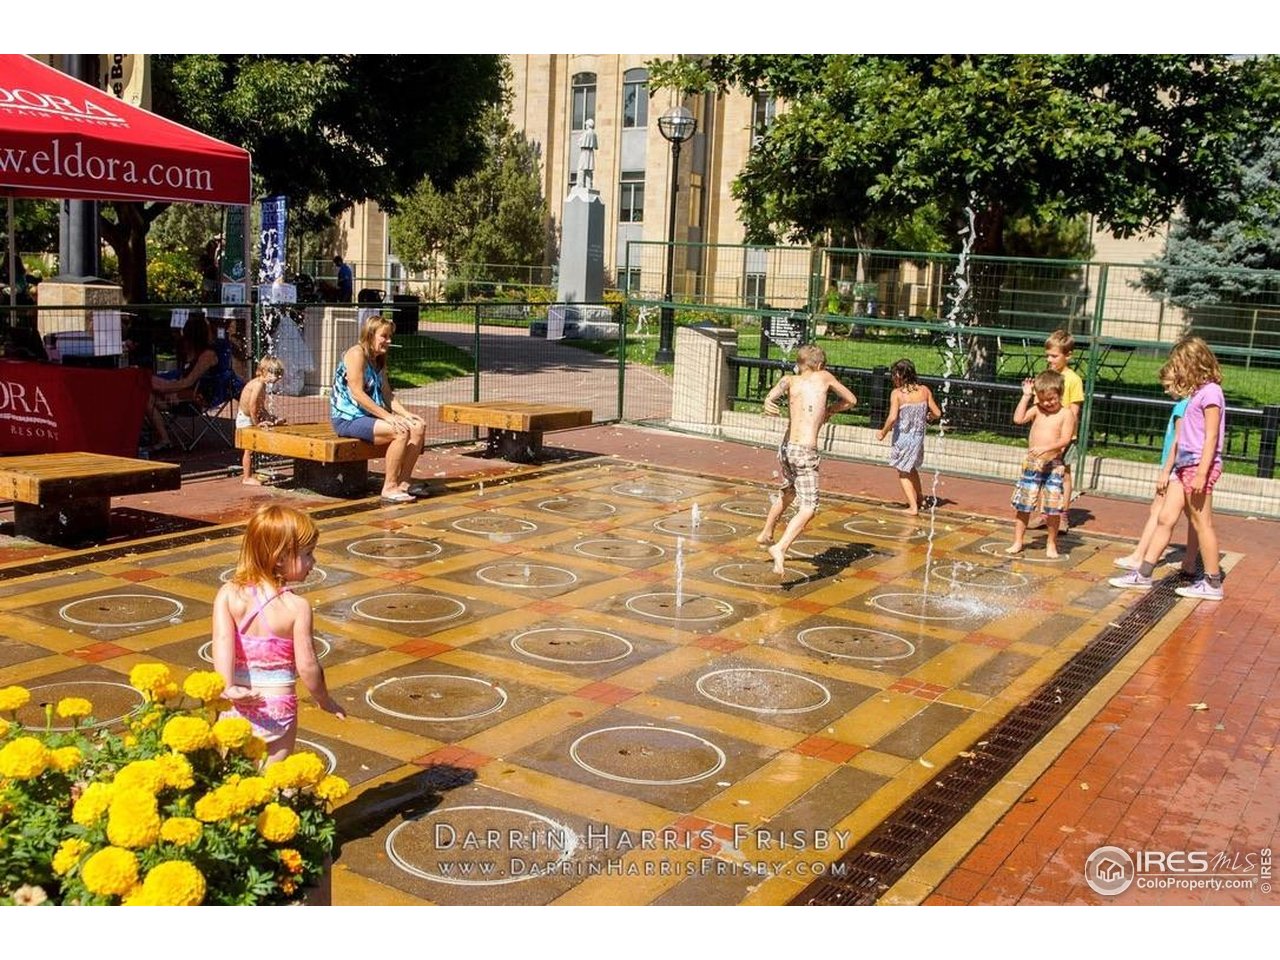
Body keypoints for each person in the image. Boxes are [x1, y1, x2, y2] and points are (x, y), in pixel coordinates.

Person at [212, 504, 345, 765]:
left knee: (233, 780)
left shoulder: (229, 594)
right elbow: (308, 666)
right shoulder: (296, 607)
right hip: (277, 706)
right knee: (274, 780)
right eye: (307, 554)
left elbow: (222, 642)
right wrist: (324, 699)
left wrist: (227, 686)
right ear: (280, 557)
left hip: (235, 703)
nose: (313, 562)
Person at [1110, 336, 1226, 601]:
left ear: (1194, 362)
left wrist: (1201, 473)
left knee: (1202, 524)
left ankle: (1212, 582)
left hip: (1198, 465)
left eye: (1181, 364)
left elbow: (1211, 437)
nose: (1179, 370)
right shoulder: (1197, 393)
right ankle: (1144, 573)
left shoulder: (1211, 393)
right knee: (1165, 518)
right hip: (1183, 465)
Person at [755, 344, 858, 574]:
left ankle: (766, 533)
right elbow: (851, 400)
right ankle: (780, 547)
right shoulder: (824, 377)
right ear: (820, 365)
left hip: (786, 448)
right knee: (809, 506)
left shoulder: (790, 380)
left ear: (799, 364)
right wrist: (832, 408)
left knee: (789, 491)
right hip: (805, 451)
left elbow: (774, 393)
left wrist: (768, 401)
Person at [330, 316, 426, 503]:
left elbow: (387, 394)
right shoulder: (356, 354)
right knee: (400, 431)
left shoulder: (379, 359)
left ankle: (404, 482)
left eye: (390, 336)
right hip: (348, 418)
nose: (389, 341)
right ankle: (389, 487)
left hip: (368, 416)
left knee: (417, 426)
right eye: (384, 336)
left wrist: (406, 414)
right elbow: (357, 393)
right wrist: (389, 418)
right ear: (370, 334)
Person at [1113, 374, 1199, 575]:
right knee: (1194, 515)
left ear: (1181, 382)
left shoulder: (1181, 407)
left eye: (1169, 386)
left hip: (1175, 468)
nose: (1166, 390)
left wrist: (1165, 471)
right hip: (1185, 467)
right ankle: (1190, 560)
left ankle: (1140, 556)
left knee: (1158, 511)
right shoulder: (1193, 404)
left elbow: (1178, 441)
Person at [1007, 369, 1074, 559]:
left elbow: (1065, 440)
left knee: (1052, 507)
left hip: (1053, 465)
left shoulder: (1066, 414)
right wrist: (1026, 396)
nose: (1047, 403)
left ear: (1060, 394)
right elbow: (1018, 419)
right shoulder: (1037, 409)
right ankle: (1018, 541)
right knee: (1024, 504)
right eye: (1043, 399)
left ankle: (1051, 544)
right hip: (1033, 464)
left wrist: (1046, 448)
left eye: (1051, 399)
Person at [876, 358, 941, 515]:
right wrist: (928, 417)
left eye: (893, 375)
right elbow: (937, 413)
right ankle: (921, 499)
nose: (892, 378)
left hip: (903, 438)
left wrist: (883, 432)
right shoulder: (924, 390)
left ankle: (913, 507)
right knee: (911, 468)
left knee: (903, 472)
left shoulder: (897, 394)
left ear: (899, 375)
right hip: (918, 437)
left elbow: (892, 418)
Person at [146, 313, 220, 452]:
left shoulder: (207, 355)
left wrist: (167, 389)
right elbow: (183, 378)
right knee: (146, 391)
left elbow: (189, 381)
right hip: (183, 393)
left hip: (198, 398)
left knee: (148, 399)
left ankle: (164, 439)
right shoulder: (189, 351)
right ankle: (161, 437)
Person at [1041, 329, 1084, 532]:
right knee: (1044, 473)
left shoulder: (1073, 380)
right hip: (1046, 435)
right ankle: (1045, 514)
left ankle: (1063, 514)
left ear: (1068, 355)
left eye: (1054, 356)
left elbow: (1074, 412)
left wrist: (1066, 438)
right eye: (1048, 356)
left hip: (1065, 436)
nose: (1050, 360)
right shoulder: (1046, 377)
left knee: (1064, 475)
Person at [237, 357, 287, 485]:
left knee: (253, 447)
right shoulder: (258, 385)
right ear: (263, 371)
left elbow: (260, 407)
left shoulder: (262, 384)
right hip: (246, 419)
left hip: (250, 417)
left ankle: (250, 473)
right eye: (272, 374)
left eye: (278, 375)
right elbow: (252, 407)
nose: (275, 378)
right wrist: (257, 424)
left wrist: (272, 418)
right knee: (248, 449)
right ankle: (246, 477)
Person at [576, 119, 598, 191]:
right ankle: (589, 185)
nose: (585, 126)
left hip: (584, 152)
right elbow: (596, 146)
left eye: (586, 124)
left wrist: (579, 142)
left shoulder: (586, 133)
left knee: (581, 168)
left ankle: (580, 184)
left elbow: (580, 143)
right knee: (589, 170)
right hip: (591, 153)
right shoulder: (594, 134)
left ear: (588, 125)